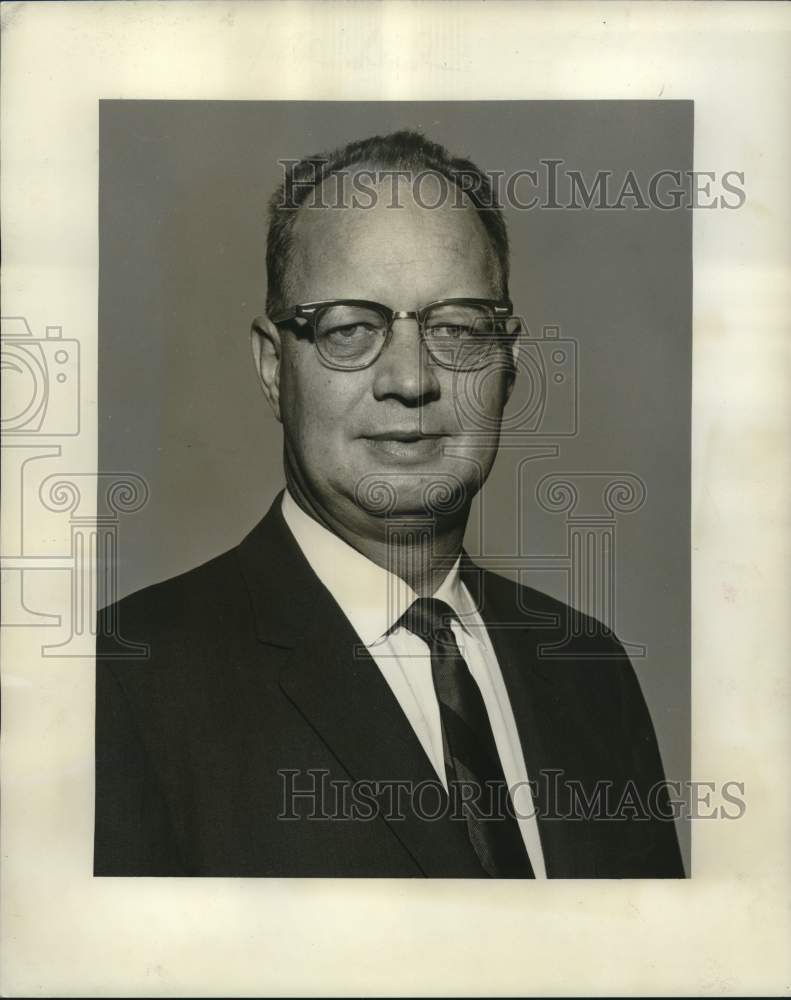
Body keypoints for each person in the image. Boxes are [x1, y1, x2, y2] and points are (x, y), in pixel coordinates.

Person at [94, 130, 684, 878]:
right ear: (275, 368)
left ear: (507, 364)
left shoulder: (588, 671)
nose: (409, 379)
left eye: (458, 328)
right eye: (350, 329)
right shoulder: (122, 681)